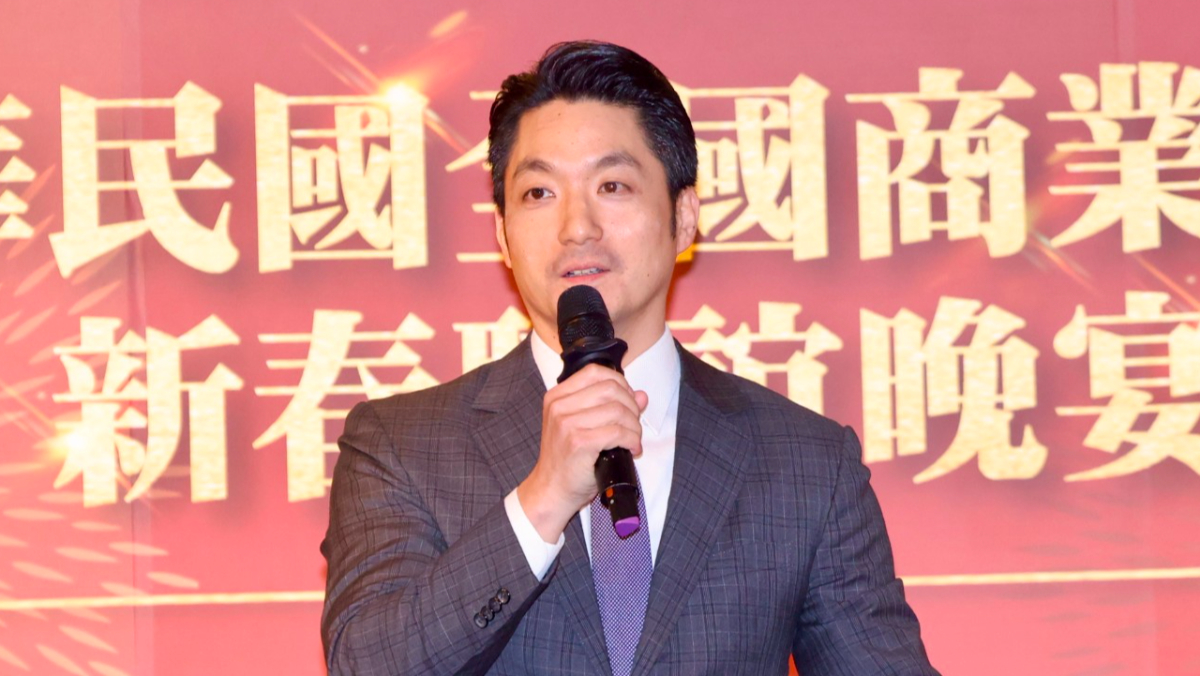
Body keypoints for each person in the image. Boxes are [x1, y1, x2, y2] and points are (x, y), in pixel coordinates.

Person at [321, 40, 939, 676]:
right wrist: (542, 500)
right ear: (503, 234)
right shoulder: (400, 446)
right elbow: (368, 665)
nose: (576, 226)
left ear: (684, 216)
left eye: (612, 185)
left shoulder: (805, 464)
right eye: (539, 192)